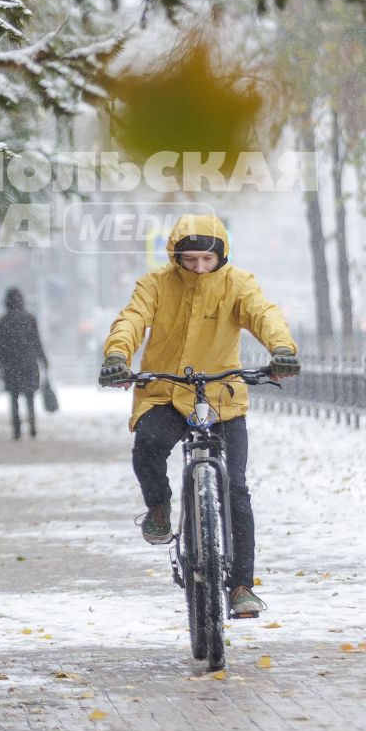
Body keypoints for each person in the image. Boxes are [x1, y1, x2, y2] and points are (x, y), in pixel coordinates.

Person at [98, 214, 300, 620]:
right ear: (176, 256)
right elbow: (132, 320)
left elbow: (264, 314)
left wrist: (282, 350)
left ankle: (242, 586)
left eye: (208, 260)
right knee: (150, 444)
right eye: (190, 260)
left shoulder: (238, 284)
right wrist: (118, 355)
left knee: (237, 490)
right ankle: (159, 507)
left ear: (220, 255)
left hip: (222, 396)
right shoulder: (155, 284)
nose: (199, 268)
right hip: (167, 392)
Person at [0, 288, 48, 440]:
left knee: (14, 398)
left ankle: (17, 429)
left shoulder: (3, 320)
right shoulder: (29, 318)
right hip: (28, 363)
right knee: (30, 397)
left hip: (11, 364)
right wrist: (43, 359)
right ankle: (32, 424)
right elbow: (37, 341)